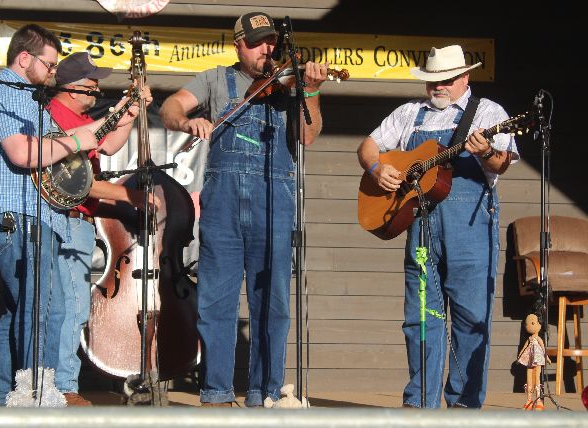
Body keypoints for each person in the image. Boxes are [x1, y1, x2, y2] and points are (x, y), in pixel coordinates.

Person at [159, 11, 327, 407]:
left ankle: (265, 393)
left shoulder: (292, 84)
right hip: (224, 205)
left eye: (271, 41)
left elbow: (307, 135)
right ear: (238, 44)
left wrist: (314, 91)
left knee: (273, 301)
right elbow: (170, 108)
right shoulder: (216, 79)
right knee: (217, 299)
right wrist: (187, 123)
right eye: (256, 43)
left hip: (276, 199)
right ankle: (216, 392)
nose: (265, 49)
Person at [357, 45, 519, 408]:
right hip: (421, 225)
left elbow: (502, 163)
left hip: (471, 228)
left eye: (445, 80)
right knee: (420, 318)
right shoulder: (409, 113)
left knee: (470, 318)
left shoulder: (489, 113)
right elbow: (368, 145)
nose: (438, 87)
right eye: (432, 81)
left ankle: (463, 409)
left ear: (464, 77)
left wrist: (485, 152)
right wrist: (376, 168)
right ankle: (420, 406)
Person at [0, 24, 97, 406]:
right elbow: (22, 153)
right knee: (45, 308)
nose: (53, 72)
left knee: (22, 308)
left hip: (36, 218)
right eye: (50, 64)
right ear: (25, 59)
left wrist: (113, 123)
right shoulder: (2, 94)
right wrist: (76, 139)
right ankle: (34, 396)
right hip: (14, 215)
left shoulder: (32, 102)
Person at [48, 52, 154, 406]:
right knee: (72, 307)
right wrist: (130, 195)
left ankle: (60, 385)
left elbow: (107, 144)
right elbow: (82, 185)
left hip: (77, 223)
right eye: (92, 85)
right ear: (72, 86)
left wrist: (129, 114)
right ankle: (63, 387)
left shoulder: (77, 118)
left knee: (69, 306)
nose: (96, 92)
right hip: (66, 219)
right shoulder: (58, 118)